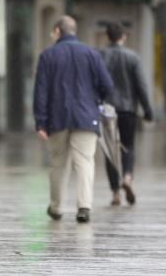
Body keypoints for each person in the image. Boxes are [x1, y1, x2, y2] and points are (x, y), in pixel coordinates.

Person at [33, 16, 113, 223]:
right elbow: (108, 85)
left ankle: (57, 207)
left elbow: (41, 91)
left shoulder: (48, 56)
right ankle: (84, 207)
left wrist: (40, 121)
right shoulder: (92, 54)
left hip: (57, 117)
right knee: (85, 162)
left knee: (58, 163)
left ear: (58, 31)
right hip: (87, 117)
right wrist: (95, 101)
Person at [100, 23, 153, 205]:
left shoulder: (100, 56)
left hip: (107, 109)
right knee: (128, 146)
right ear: (123, 37)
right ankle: (128, 177)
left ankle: (115, 192)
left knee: (110, 150)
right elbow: (141, 86)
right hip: (128, 109)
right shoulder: (133, 57)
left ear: (107, 37)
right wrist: (147, 110)